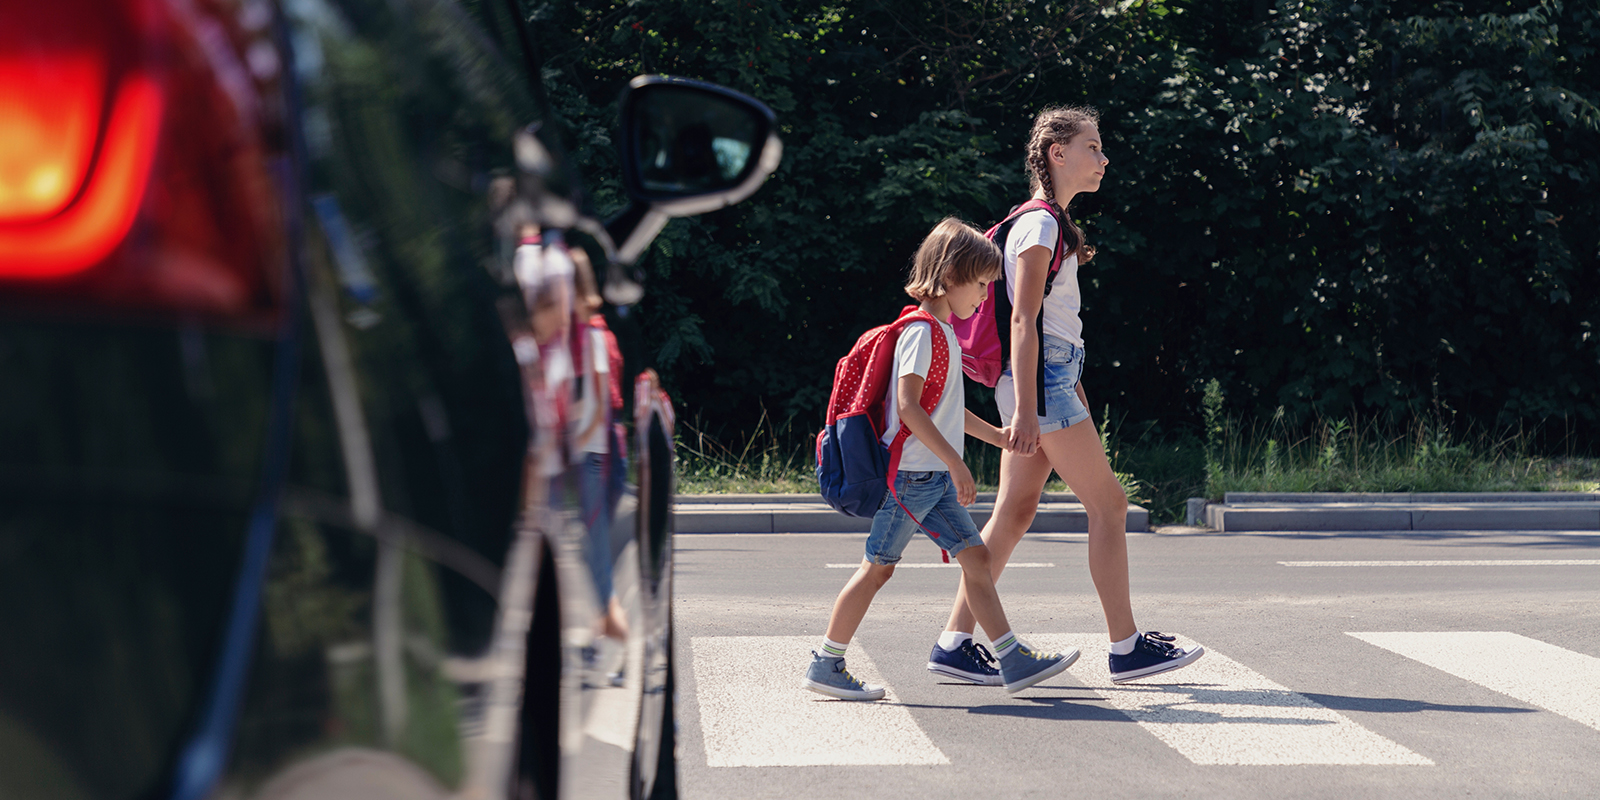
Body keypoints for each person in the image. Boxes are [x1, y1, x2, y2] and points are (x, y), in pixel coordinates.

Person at [928, 106, 1204, 687]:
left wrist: (1063, 388)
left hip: (1050, 379)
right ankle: (1126, 647)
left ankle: (954, 642)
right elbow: (1024, 321)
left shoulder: (1048, 224)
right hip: (1040, 383)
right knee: (1109, 507)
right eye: (1092, 147)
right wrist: (1031, 408)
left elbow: (1051, 325)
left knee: (1015, 511)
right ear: (1057, 152)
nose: (1103, 159)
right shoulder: (1041, 225)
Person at [803, 218, 1074, 701]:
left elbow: (946, 407)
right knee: (878, 569)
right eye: (981, 285)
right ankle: (826, 661)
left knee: (977, 558)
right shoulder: (921, 333)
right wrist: (956, 463)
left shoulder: (944, 333)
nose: (984, 297)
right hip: (910, 479)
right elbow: (908, 406)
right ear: (950, 276)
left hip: (929, 479)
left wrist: (997, 436)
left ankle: (1010, 658)